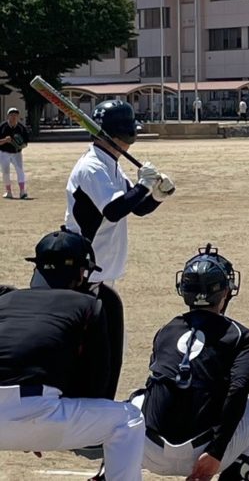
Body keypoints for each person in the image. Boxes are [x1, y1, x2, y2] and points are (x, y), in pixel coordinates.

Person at [131, 245, 249, 481]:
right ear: (225, 292)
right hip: (205, 456)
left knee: (137, 398)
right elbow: (241, 391)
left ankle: (107, 471)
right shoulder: (241, 336)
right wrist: (216, 452)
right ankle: (235, 476)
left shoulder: (165, 330)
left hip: (149, 453)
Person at [0, 229, 145, 481]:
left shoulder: (4, 299)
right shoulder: (89, 305)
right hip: (41, 413)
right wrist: (37, 431)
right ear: (81, 273)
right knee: (129, 419)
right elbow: (96, 384)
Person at [62, 99, 174, 399]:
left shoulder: (110, 163)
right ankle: (86, 407)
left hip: (103, 270)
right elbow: (113, 210)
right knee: (92, 351)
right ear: (121, 134)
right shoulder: (92, 167)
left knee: (109, 348)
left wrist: (155, 195)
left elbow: (134, 208)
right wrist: (142, 186)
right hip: (83, 273)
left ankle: (100, 405)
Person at [0, 107, 30, 199]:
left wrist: (20, 145)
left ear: (18, 116)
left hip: (16, 153)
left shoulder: (21, 128)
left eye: (15, 115)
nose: (13, 117)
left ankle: (22, 192)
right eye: (11, 115)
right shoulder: (2, 127)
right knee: (5, 172)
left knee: (20, 171)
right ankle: (8, 192)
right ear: (8, 116)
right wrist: (5, 140)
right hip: (4, 153)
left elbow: (25, 143)